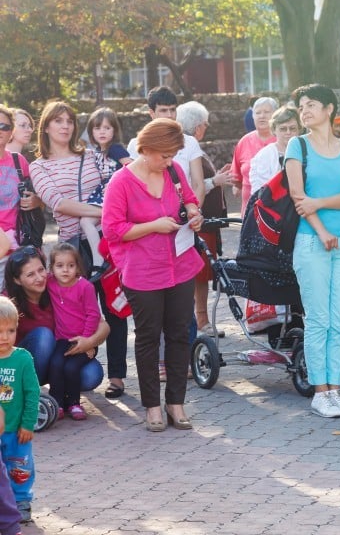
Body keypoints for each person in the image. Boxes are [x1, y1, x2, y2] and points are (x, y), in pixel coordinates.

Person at [101, 118, 204, 432]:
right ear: (145, 149)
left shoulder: (173, 171)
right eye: (164, 155)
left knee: (178, 334)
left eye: (173, 154)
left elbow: (190, 199)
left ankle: (176, 403)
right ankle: (152, 407)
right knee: (148, 338)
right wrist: (153, 226)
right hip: (143, 271)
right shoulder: (121, 182)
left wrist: (194, 214)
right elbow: (112, 229)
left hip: (181, 265)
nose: (169, 161)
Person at [29, 101, 128, 399]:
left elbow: (117, 182)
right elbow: (59, 203)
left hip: (106, 240)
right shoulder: (39, 166)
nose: (65, 126)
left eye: (70, 121)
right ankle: (76, 366)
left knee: (114, 308)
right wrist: (105, 211)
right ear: (45, 127)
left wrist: (107, 214)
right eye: (58, 121)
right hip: (71, 248)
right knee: (76, 310)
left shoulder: (91, 155)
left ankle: (117, 376)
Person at [285, 85, 340, 418]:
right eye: (301, 106)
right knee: (318, 318)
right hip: (312, 241)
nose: (305, 111)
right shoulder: (297, 145)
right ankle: (321, 391)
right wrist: (322, 229)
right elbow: (298, 197)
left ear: (328, 109)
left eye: (312, 105)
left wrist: (322, 203)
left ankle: (336, 389)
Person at [5, 246, 108, 394]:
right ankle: (27, 392)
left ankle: (60, 394)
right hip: (20, 364)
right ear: (17, 280)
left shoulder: (56, 285)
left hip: (58, 358)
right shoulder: (8, 302)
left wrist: (89, 342)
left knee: (92, 375)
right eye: (30, 275)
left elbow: (104, 326)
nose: (40, 278)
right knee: (44, 335)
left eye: (41, 270)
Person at [176, 101, 233, 337]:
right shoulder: (186, 147)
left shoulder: (191, 145)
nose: (206, 128)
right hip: (196, 218)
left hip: (205, 218)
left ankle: (200, 319)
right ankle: (198, 320)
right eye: (205, 124)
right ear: (199, 126)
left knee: (202, 271)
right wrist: (215, 182)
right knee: (197, 272)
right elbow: (190, 186)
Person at [44, 243, 100, 420]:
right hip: (62, 339)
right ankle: (57, 403)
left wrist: (87, 340)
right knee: (56, 364)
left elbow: (94, 314)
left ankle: (74, 403)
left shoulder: (85, 287)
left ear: (78, 266)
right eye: (59, 266)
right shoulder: (50, 283)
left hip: (85, 339)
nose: (65, 270)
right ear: (52, 268)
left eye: (70, 265)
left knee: (71, 367)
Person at [128, 87, 205, 203]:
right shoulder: (137, 144)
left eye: (173, 110)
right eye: (163, 110)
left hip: (184, 212)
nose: (170, 115)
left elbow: (198, 185)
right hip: (149, 213)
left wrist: (194, 213)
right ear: (152, 113)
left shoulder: (190, 142)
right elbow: (131, 185)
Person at [0, 296, 39, 525]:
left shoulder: (22, 359)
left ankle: (22, 501)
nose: (5, 337)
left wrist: (28, 423)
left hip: (17, 430)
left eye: (11, 330)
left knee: (20, 466)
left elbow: (33, 393)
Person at [82, 107, 132, 272]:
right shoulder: (97, 151)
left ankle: (99, 260)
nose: (102, 132)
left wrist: (115, 184)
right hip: (102, 193)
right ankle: (103, 258)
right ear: (91, 131)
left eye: (107, 128)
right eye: (97, 128)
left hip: (112, 193)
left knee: (87, 221)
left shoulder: (114, 148)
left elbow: (132, 166)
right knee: (90, 223)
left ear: (114, 130)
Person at [0, 107, 42, 283]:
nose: (0, 130)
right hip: (1, 247)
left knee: (22, 306)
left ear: (11, 132)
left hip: (21, 247)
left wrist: (35, 200)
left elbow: (40, 196)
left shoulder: (19, 161)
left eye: (5, 126)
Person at [231, 96, 278, 214]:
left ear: (276, 115)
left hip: (278, 210)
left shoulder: (283, 140)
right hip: (249, 212)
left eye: (267, 112)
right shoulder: (244, 141)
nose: (262, 116)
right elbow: (236, 179)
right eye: (257, 113)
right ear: (252, 116)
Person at [249, 107, 302, 194]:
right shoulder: (264, 156)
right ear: (274, 130)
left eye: (292, 128)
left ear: (299, 130)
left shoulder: (306, 151)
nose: (288, 132)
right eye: (283, 129)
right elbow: (260, 191)